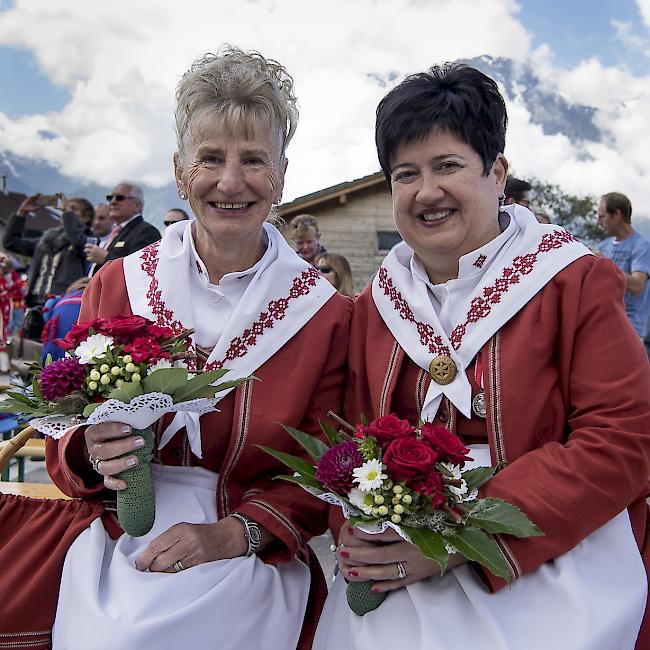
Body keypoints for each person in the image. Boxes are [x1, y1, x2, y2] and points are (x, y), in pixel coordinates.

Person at [0, 46, 352, 649]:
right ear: (179, 168)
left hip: (246, 548)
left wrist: (233, 535)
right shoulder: (120, 283)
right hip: (110, 536)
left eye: (254, 160)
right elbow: (64, 435)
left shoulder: (325, 316)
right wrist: (90, 449)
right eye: (210, 158)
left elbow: (326, 472)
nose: (230, 182)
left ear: (283, 175)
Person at [314, 63, 650, 650]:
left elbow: (623, 437)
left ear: (497, 173)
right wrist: (366, 525)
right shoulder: (372, 307)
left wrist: (456, 538)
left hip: (548, 547)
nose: (427, 192)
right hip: (398, 550)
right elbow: (346, 435)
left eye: (448, 166)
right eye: (405, 174)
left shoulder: (572, 282)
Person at [596, 192, 650, 342]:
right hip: (604, 326)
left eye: (602, 216)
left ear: (617, 214)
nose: (598, 222)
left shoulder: (642, 246)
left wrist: (604, 263)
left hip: (631, 330)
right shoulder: (603, 247)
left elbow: (637, 285)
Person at [85, 181, 160, 275]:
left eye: (119, 198)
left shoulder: (147, 232)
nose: (113, 202)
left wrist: (105, 258)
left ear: (137, 206)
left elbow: (142, 269)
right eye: (110, 198)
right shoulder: (116, 232)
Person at [40, 276, 91, 363]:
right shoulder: (93, 300)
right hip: (80, 361)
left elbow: (45, 316)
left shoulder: (58, 300)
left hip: (51, 359)